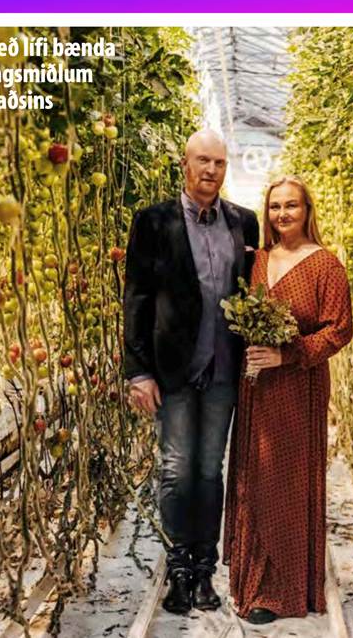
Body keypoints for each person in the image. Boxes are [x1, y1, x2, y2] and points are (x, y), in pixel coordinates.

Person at [123, 129, 259, 615]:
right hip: (174, 369)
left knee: (208, 468)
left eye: (219, 163)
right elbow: (137, 298)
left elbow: (253, 293)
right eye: (203, 160)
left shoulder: (244, 222)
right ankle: (178, 567)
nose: (211, 170)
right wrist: (138, 372)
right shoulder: (154, 221)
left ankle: (205, 568)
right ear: (185, 164)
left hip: (223, 367)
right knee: (176, 468)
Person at [223, 175, 353, 625]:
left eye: (291, 205)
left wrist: (289, 354)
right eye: (275, 206)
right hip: (256, 384)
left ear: (307, 210)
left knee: (287, 481)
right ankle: (252, 580)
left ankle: (282, 589)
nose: (282, 214)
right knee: (253, 475)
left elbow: (339, 329)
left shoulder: (326, 265)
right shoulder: (257, 260)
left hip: (299, 385)